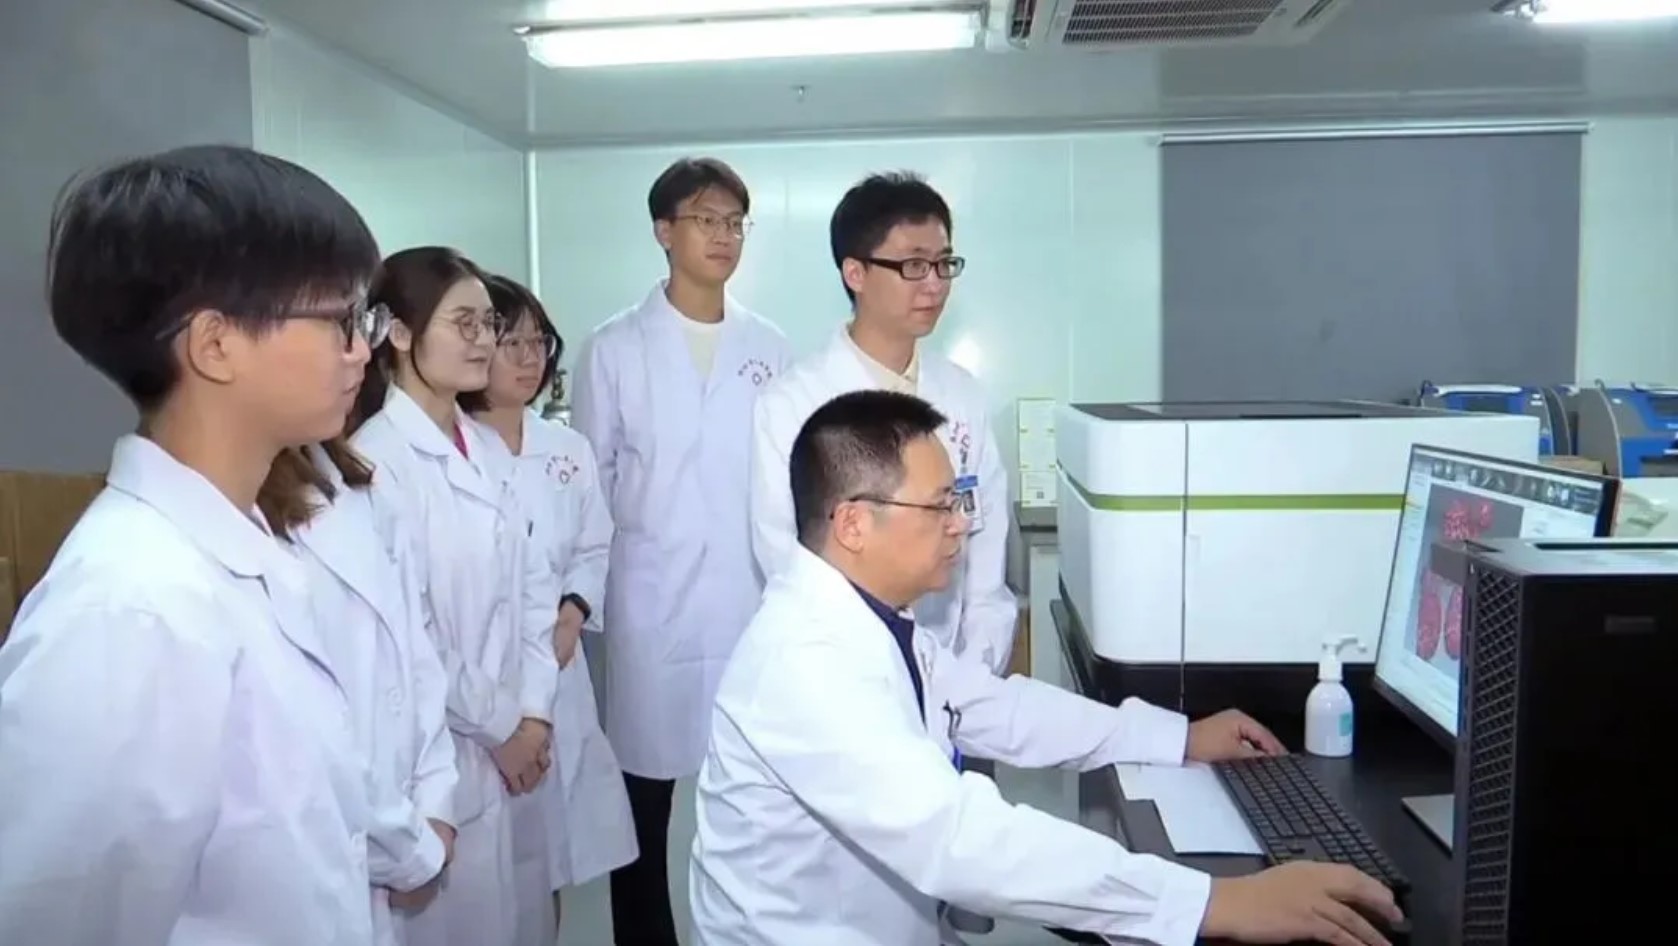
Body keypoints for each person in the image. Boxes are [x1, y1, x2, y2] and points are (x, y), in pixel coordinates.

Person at [691, 390, 1406, 946]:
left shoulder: (869, 621)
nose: (961, 523)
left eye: (960, 501)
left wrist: (1177, 737)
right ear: (853, 523)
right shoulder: (805, 664)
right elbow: (960, 841)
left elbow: (996, 708)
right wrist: (1214, 902)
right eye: (941, 505)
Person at [0, 145, 380, 943]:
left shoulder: (236, 548)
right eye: (341, 320)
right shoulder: (130, 608)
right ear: (215, 346)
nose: (362, 349)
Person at [571, 156, 790, 945]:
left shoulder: (769, 347)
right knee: (644, 800)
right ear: (664, 231)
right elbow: (591, 487)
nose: (723, 236)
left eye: (734, 222)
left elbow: (783, 481)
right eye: (705, 220)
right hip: (650, 602)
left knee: (754, 795)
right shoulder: (613, 347)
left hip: (745, 598)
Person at [351, 247, 561, 946]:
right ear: (399, 333)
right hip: (444, 758)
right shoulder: (377, 464)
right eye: (463, 324)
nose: (483, 341)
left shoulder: (488, 449)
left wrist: (535, 713)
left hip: (517, 752)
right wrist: (503, 726)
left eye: (487, 324)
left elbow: (535, 590)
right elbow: (412, 634)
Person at [750, 171, 1015, 675]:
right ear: (855, 272)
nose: (934, 284)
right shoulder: (791, 404)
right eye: (913, 265)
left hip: (954, 672)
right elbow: (784, 559)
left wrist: (970, 676)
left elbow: (985, 562)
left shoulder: (963, 396)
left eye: (944, 263)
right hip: (841, 669)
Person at [463, 274, 639, 925]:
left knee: (551, 854)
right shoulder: (454, 452)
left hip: (559, 668)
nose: (530, 357)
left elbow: (594, 543)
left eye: (539, 342)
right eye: (511, 342)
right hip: (485, 677)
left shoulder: (566, 449)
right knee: (490, 861)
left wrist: (574, 611)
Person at [258, 429, 460, 946]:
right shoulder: (227, 532)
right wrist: (411, 849)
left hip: (402, 833)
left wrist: (435, 804)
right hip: (315, 875)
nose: (351, 385)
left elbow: (416, 654)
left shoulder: (351, 484)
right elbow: (306, 738)